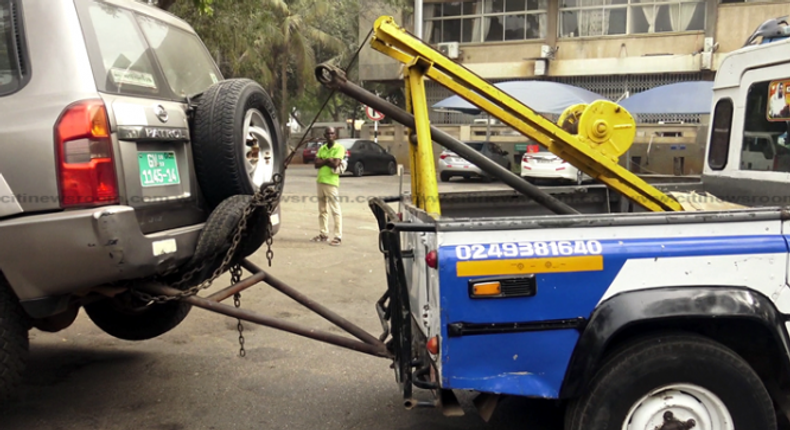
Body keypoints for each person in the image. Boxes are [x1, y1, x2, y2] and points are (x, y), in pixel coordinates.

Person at [311, 127, 345, 246]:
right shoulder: (322, 148)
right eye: (328, 133)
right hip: (320, 181)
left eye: (332, 133)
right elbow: (316, 164)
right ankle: (323, 234)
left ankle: (338, 236)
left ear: (335, 135)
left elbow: (336, 163)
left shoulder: (339, 148)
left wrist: (324, 160)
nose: (330, 135)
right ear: (325, 135)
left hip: (331, 182)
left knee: (335, 209)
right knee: (322, 210)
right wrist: (328, 160)